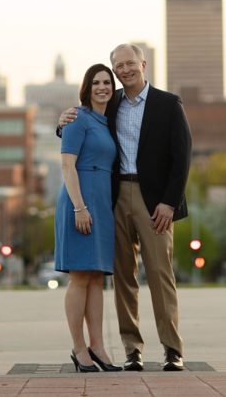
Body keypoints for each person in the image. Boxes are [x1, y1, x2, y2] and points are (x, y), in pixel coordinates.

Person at [59, 43, 192, 372]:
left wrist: (169, 202)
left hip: (155, 201)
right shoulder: (111, 101)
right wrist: (62, 123)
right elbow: (82, 129)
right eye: (119, 66)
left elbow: (182, 157)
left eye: (130, 63)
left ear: (143, 64)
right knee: (122, 277)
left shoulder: (168, 104)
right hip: (114, 198)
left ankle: (172, 349)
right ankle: (133, 349)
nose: (125, 70)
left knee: (161, 274)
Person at [54, 63, 122, 373]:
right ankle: (79, 348)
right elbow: (68, 166)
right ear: (87, 87)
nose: (102, 87)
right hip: (79, 202)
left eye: (107, 82)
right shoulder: (78, 118)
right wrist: (80, 207)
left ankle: (98, 346)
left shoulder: (105, 122)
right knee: (80, 277)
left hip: (101, 203)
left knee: (96, 278)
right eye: (96, 82)